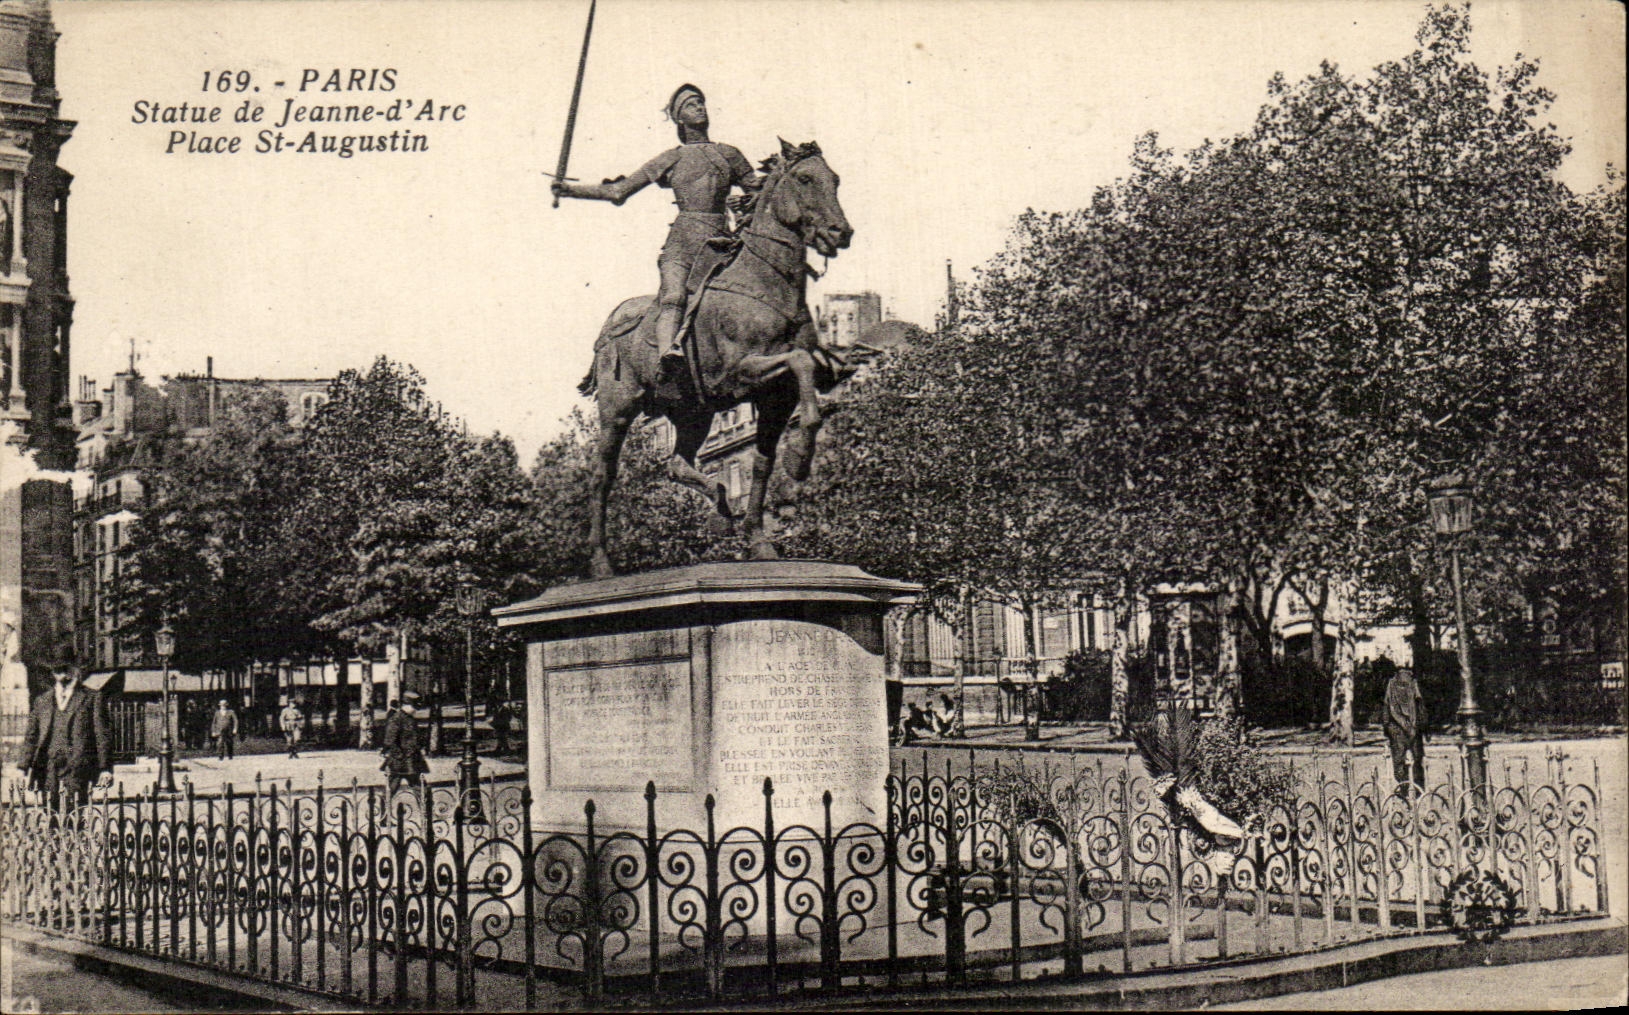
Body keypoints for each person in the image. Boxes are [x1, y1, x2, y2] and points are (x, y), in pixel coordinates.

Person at [552, 84, 761, 373]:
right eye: (691, 105)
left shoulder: (729, 154)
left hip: (723, 243)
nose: (700, 107)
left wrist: (762, 192)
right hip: (683, 244)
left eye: (701, 102)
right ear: (679, 118)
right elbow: (619, 191)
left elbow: (758, 190)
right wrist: (571, 191)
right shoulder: (671, 158)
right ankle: (668, 356)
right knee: (673, 297)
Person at [22, 662, 113, 812]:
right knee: (50, 812)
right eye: (58, 670)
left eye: (66, 669)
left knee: (74, 812)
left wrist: (105, 768)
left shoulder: (92, 698)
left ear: (76, 670)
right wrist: (23, 767)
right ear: (53, 672)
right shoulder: (42, 700)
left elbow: (102, 733)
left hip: (77, 767)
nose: (62, 674)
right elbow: (31, 736)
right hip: (48, 767)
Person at [1382, 666, 1427, 796]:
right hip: (1401, 728)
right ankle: (1408, 788)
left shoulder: (1410, 683)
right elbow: (1389, 707)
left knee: (1411, 761)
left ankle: (1411, 789)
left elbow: (1419, 705)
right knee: (1406, 761)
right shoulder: (1395, 684)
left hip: (1406, 727)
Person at [380, 697, 429, 800]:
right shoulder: (396, 719)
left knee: (421, 788)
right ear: (405, 706)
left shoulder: (410, 719)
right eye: (413, 707)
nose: (415, 710)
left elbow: (414, 738)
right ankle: (381, 809)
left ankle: (426, 809)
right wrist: (399, 755)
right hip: (399, 762)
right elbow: (389, 740)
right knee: (390, 789)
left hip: (411, 761)